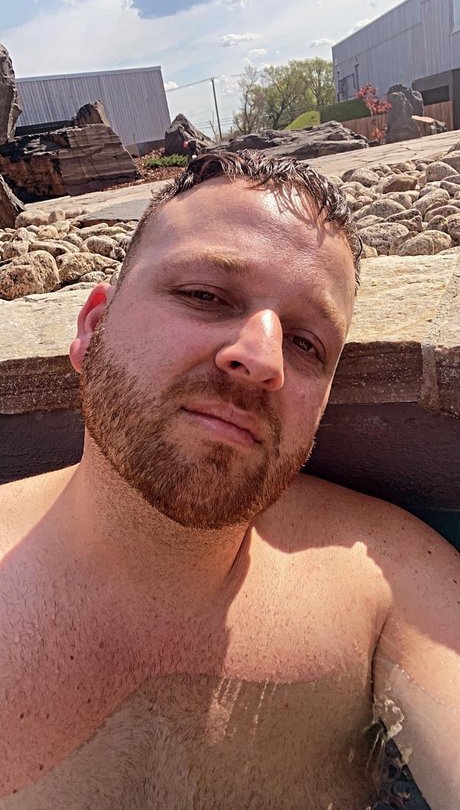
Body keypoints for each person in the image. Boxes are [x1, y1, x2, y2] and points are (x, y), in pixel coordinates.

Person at [0, 151, 458, 810]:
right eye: (205, 296)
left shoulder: (388, 584)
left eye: (306, 344)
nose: (262, 358)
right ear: (93, 330)